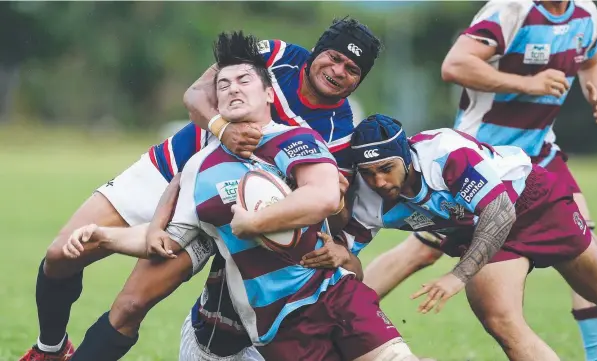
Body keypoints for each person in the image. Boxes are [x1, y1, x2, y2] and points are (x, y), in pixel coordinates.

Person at [31, 20, 382, 361]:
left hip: (219, 209)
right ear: (317, 52)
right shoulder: (275, 56)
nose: (338, 71)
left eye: (352, 69)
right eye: (334, 58)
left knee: (131, 306)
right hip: (173, 167)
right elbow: (195, 93)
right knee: (61, 254)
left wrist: (333, 212)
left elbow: (325, 204)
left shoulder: (339, 132)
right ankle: (51, 349)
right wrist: (221, 127)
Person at [362, 1, 597, 359]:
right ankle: (344, 319)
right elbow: (455, 65)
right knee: (421, 252)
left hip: (540, 154)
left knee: (595, 259)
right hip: (481, 158)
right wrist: (527, 83)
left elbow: (593, 59)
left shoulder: (586, 14)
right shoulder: (512, 10)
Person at [347, 114, 597, 361]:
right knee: (501, 322)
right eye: (368, 173)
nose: (379, 182)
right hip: (480, 231)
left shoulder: (444, 153)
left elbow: (499, 212)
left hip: (533, 204)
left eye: (386, 169)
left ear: (406, 156)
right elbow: (343, 260)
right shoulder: (367, 199)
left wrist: (457, 276)